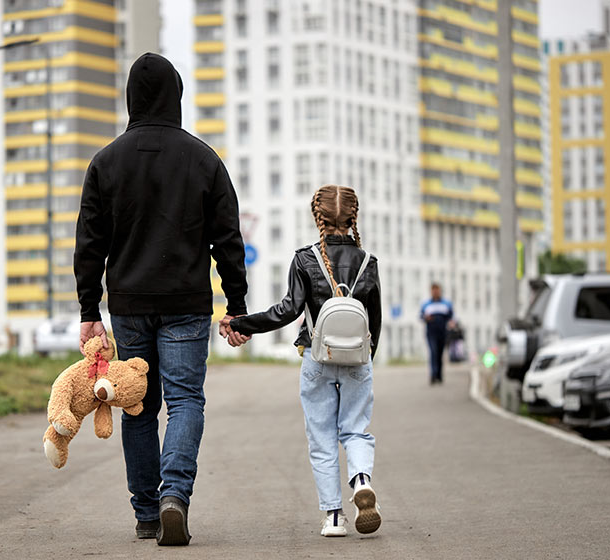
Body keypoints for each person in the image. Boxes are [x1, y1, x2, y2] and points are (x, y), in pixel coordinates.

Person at [74, 53, 248, 546]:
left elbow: (90, 244)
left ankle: (147, 514)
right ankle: (175, 495)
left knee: (138, 407)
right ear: (176, 94)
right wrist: (235, 302)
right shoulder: (203, 159)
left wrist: (90, 311)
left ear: (131, 97)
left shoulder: (105, 163)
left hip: (128, 306)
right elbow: (228, 239)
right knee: (186, 399)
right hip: (186, 304)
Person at [225, 185, 382, 538]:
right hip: (358, 361)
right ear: (354, 217)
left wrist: (240, 323)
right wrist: (365, 360)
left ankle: (334, 518)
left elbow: (287, 311)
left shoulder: (305, 259)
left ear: (318, 217)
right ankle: (360, 480)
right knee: (356, 429)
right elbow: (376, 321)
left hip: (317, 359)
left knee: (322, 439)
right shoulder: (369, 262)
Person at [420, 283, 455, 385]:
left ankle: (439, 375)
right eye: (433, 290)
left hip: (443, 332)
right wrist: (426, 318)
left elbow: (451, 316)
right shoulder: (426, 304)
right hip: (431, 333)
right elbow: (421, 316)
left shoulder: (446, 304)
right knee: (433, 352)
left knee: (439, 354)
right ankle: (433, 375)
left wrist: (452, 323)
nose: (435, 292)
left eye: (437, 290)